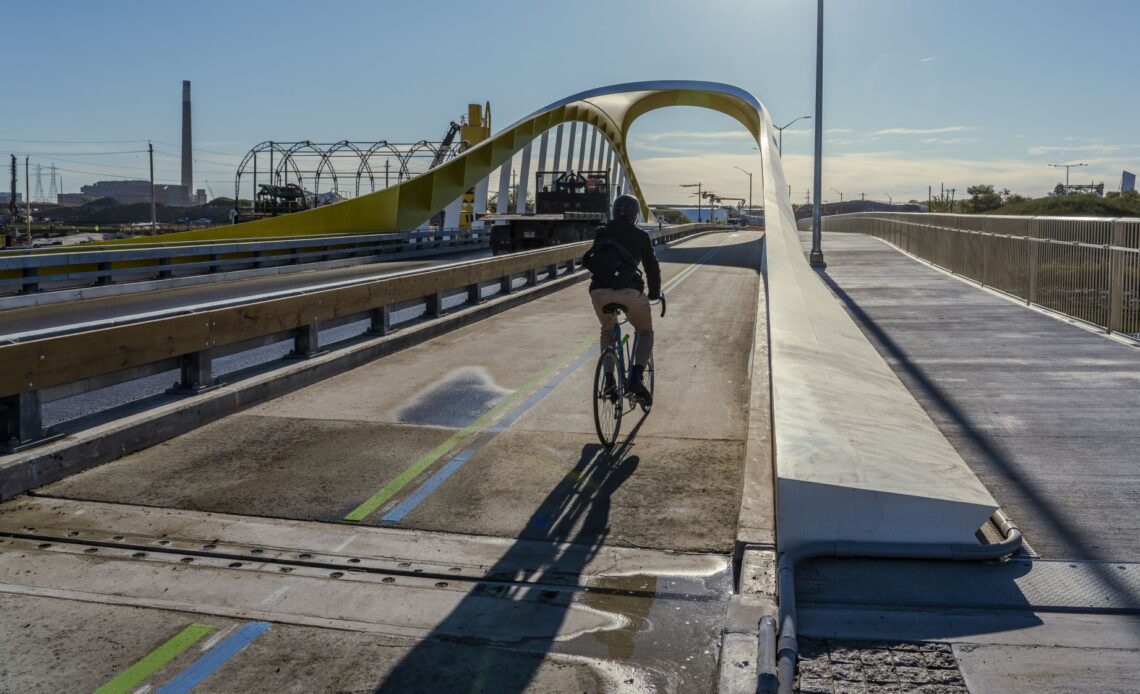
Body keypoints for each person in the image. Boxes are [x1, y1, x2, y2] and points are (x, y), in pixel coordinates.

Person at [588, 194, 661, 405]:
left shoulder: (601, 233)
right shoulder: (640, 236)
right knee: (645, 332)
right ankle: (636, 377)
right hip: (629, 292)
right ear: (636, 216)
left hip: (599, 291)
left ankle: (609, 378)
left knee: (607, 330)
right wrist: (654, 292)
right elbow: (651, 268)